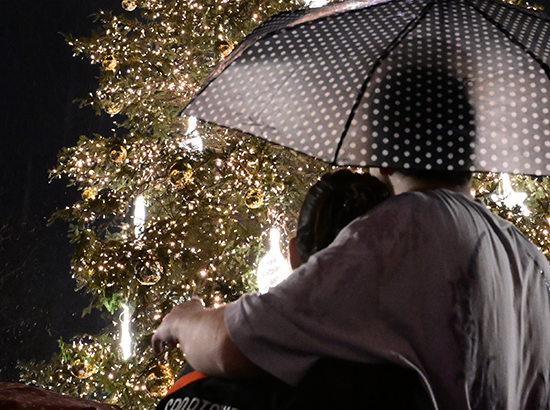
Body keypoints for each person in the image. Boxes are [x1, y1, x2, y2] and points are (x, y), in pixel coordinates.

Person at [153, 67, 550, 410]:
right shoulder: (530, 259)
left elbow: (234, 344)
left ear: (384, 155)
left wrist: (184, 320)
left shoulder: (401, 228)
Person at [157, 170, 428, 410]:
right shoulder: (399, 373)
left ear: (293, 252)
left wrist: (184, 319)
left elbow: (228, 344)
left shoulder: (198, 369)